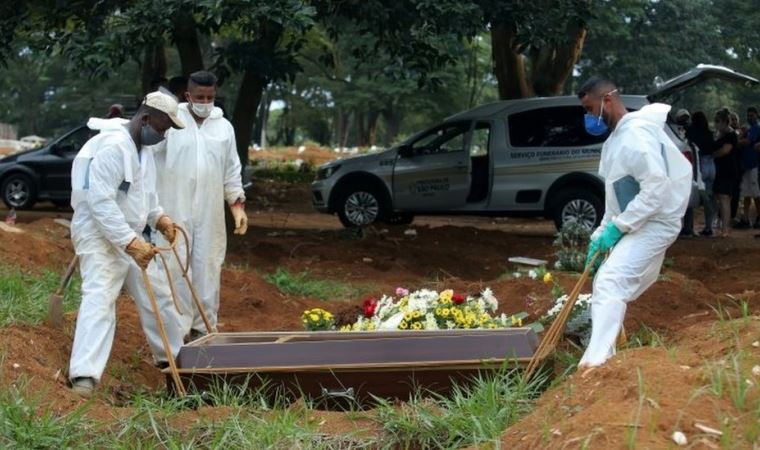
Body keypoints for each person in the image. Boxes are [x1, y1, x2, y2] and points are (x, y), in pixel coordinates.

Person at [68, 91, 186, 397]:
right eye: (162, 129)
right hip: (98, 234)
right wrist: (130, 242)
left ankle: (177, 363)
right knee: (101, 295)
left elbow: (145, 197)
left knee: (157, 294)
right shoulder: (113, 147)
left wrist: (160, 219)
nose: (163, 135)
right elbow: (100, 202)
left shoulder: (142, 151)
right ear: (146, 119)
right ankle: (84, 377)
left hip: (130, 235)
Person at [577, 77, 692, 368]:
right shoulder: (615, 141)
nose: (589, 118)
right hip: (640, 220)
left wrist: (619, 228)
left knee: (611, 281)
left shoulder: (637, 134)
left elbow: (656, 189)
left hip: (657, 220)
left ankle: (597, 363)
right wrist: (601, 234)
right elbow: (615, 200)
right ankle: (609, 352)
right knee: (607, 279)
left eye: (590, 109)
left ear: (608, 100)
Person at [152, 70, 247, 341]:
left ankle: (204, 329)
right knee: (176, 267)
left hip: (210, 212)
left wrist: (237, 205)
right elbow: (148, 158)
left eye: (210, 97)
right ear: (188, 96)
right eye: (200, 97)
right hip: (174, 208)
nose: (205, 102)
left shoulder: (224, 127)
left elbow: (232, 170)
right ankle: (178, 332)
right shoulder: (172, 121)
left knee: (208, 267)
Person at [686, 111, 717, 236]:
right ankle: (709, 227)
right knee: (709, 198)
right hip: (711, 164)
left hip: (699, 164)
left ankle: (688, 228)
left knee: (692, 194)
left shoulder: (691, 132)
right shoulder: (709, 133)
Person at [712, 108, 739, 237]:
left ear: (724, 121)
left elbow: (725, 150)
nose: (716, 123)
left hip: (727, 170)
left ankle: (725, 229)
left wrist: (712, 155)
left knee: (724, 199)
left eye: (718, 121)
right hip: (720, 170)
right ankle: (723, 226)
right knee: (722, 199)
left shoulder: (730, 135)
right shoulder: (720, 134)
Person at [736, 107, 760, 228]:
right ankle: (745, 218)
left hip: (754, 164)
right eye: (748, 115)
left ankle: (758, 218)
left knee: (756, 193)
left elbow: (747, 142)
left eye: (752, 115)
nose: (750, 117)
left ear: (757, 115)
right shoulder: (749, 128)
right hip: (746, 165)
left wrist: (739, 140)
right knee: (746, 193)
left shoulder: (756, 127)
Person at [675, 109, 696, 237]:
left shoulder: (690, 133)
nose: (685, 121)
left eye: (686, 118)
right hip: (681, 168)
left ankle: (688, 228)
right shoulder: (676, 132)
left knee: (687, 199)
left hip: (687, 168)